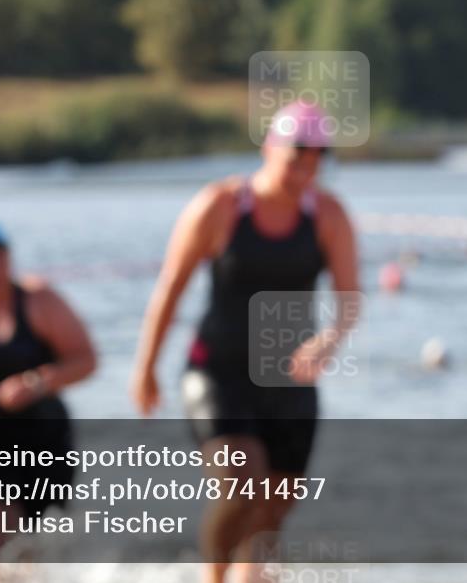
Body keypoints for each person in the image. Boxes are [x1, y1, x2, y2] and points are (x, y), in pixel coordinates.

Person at [130, 101, 360, 583]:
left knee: (274, 512)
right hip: (218, 371)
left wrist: (328, 341)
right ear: (269, 147)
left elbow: (349, 300)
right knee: (240, 487)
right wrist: (145, 366)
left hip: (288, 378)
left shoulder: (328, 216)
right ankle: (210, 577)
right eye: (298, 152)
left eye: (318, 155)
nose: (307, 165)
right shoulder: (221, 206)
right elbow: (170, 288)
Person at [0, 216, 97, 515]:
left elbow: (86, 360)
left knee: (43, 523)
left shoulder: (39, 301)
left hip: (37, 432)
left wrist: (37, 382)